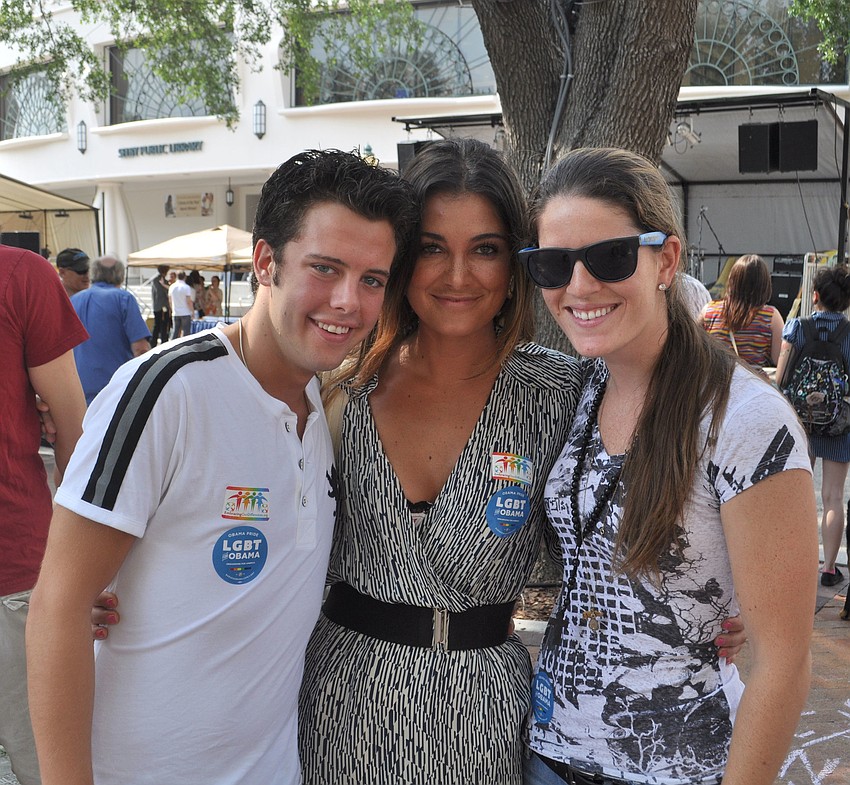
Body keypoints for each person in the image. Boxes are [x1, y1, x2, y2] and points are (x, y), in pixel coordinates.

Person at [297, 140, 744, 784]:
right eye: (431, 247)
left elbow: (653, 508)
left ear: (516, 265)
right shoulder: (342, 389)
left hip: (486, 720)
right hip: (341, 703)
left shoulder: (566, 393)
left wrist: (734, 605)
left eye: (485, 249)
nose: (458, 275)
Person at [25, 149, 417, 785]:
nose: (348, 300)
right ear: (265, 262)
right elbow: (59, 607)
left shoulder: (327, 403)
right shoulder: (165, 390)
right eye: (324, 268)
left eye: (372, 279)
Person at [520, 147, 817, 785]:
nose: (579, 286)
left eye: (610, 257)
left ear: (667, 260)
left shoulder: (745, 421)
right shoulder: (577, 388)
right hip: (548, 754)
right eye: (553, 264)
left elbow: (782, 664)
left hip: (681, 768)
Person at [0, 243, 88, 785]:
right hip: (15, 559)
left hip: (15, 566)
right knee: (49, 763)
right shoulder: (18, 274)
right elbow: (73, 427)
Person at [776, 265, 850, 589]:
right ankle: (829, 569)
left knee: (799, 493)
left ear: (815, 295)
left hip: (800, 422)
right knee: (832, 496)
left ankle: (795, 561)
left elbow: (781, 378)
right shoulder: (848, 333)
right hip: (838, 424)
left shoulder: (797, 327)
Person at [71, 255, 151, 405]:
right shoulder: (124, 299)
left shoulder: (73, 300)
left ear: (93, 273)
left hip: (79, 390)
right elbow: (141, 349)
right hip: (115, 390)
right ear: (121, 275)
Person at [701, 253, 784, 369]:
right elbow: (778, 358)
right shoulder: (771, 317)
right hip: (753, 379)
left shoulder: (708, 311)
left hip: (716, 378)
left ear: (732, 281)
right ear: (764, 284)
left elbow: (695, 349)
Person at [168, 271, 194, 339]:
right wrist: (192, 311)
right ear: (185, 277)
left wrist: (172, 309)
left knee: (175, 332)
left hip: (176, 312)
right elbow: (188, 301)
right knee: (186, 333)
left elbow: (170, 300)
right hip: (185, 312)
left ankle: (172, 344)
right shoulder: (186, 287)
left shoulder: (172, 287)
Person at [149, 265, 171, 346]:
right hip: (163, 306)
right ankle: (163, 342)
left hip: (156, 306)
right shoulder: (161, 281)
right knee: (163, 325)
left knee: (157, 325)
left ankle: (153, 342)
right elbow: (163, 293)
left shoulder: (154, 280)